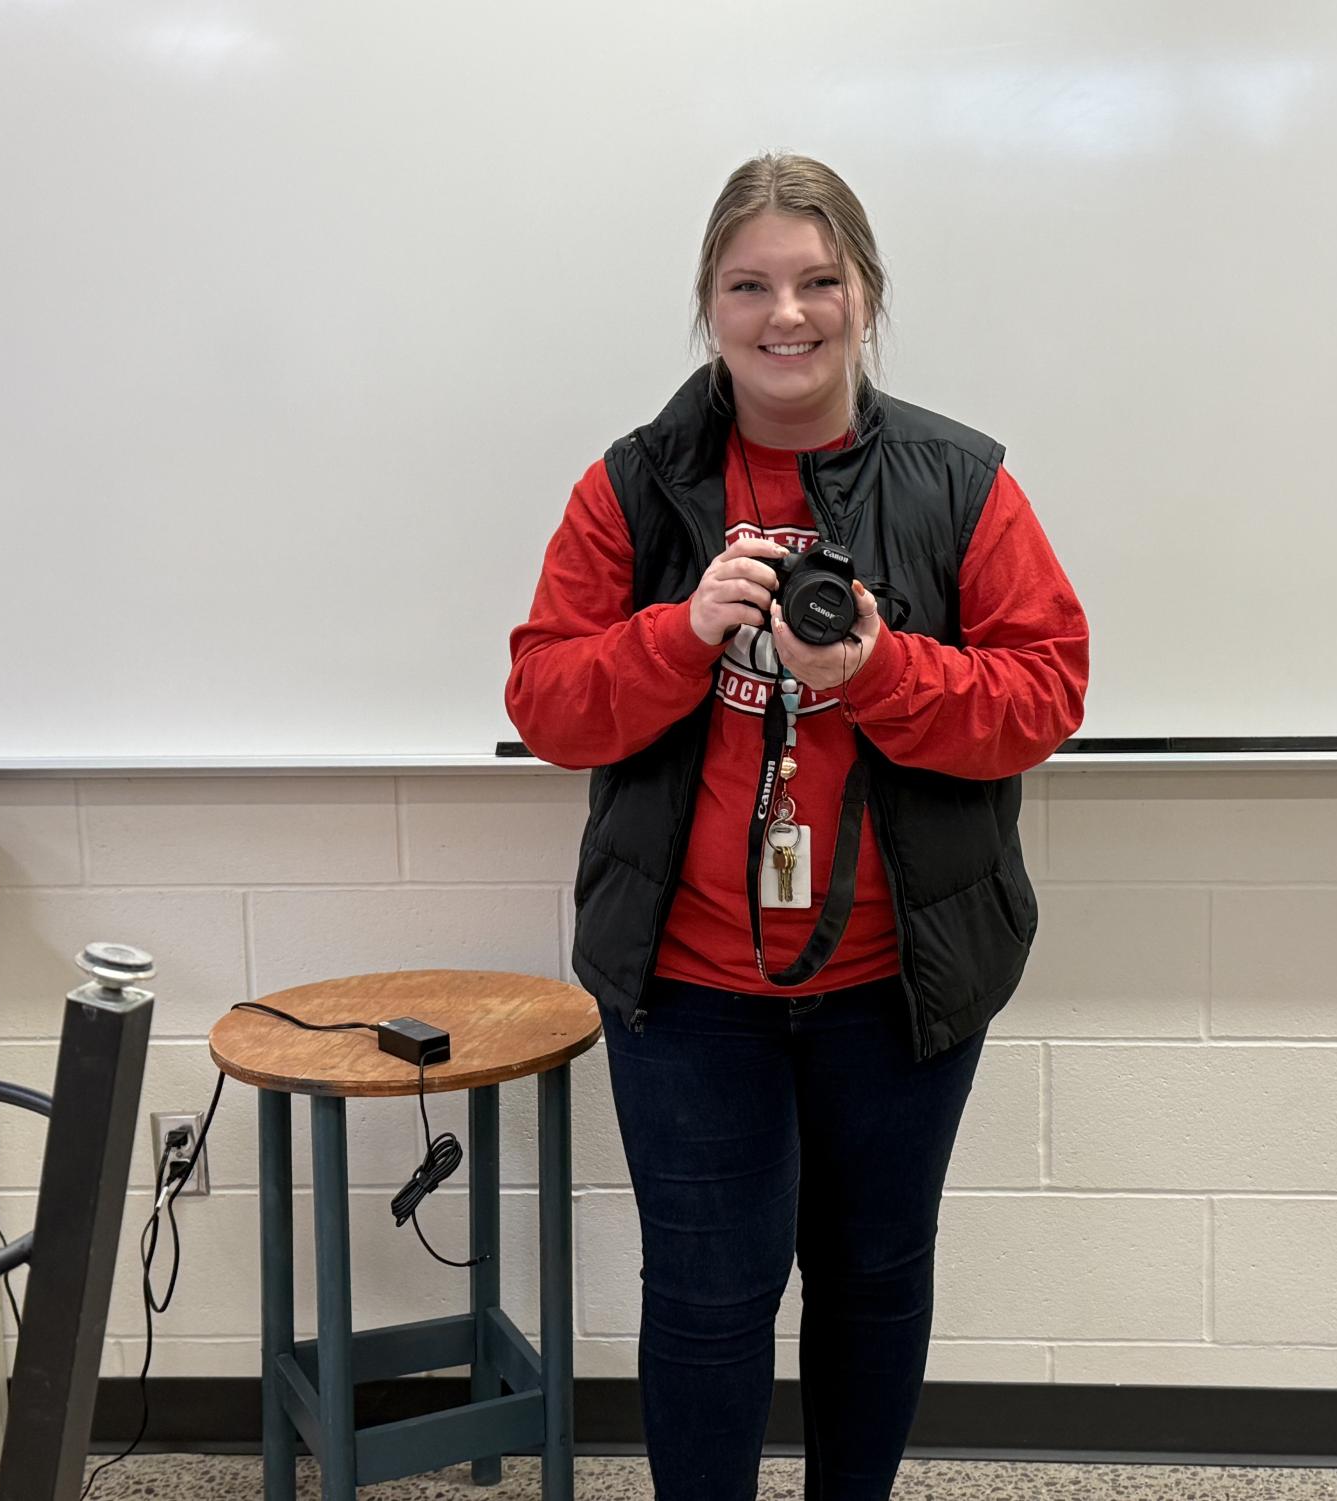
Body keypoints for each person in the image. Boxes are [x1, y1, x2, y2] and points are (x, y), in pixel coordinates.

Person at [505, 151, 1088, 1501]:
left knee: (875, 1279)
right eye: (750, 283)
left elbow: (1042, 692)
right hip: (691, 982)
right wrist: (680, 631)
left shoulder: (960, 481)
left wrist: (875, 672)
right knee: (708, 1294)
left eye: (819, 281)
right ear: (706, 304)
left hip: (899, 978)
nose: (788, 314)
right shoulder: (632, 489)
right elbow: (545, 700)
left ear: (866, 296)